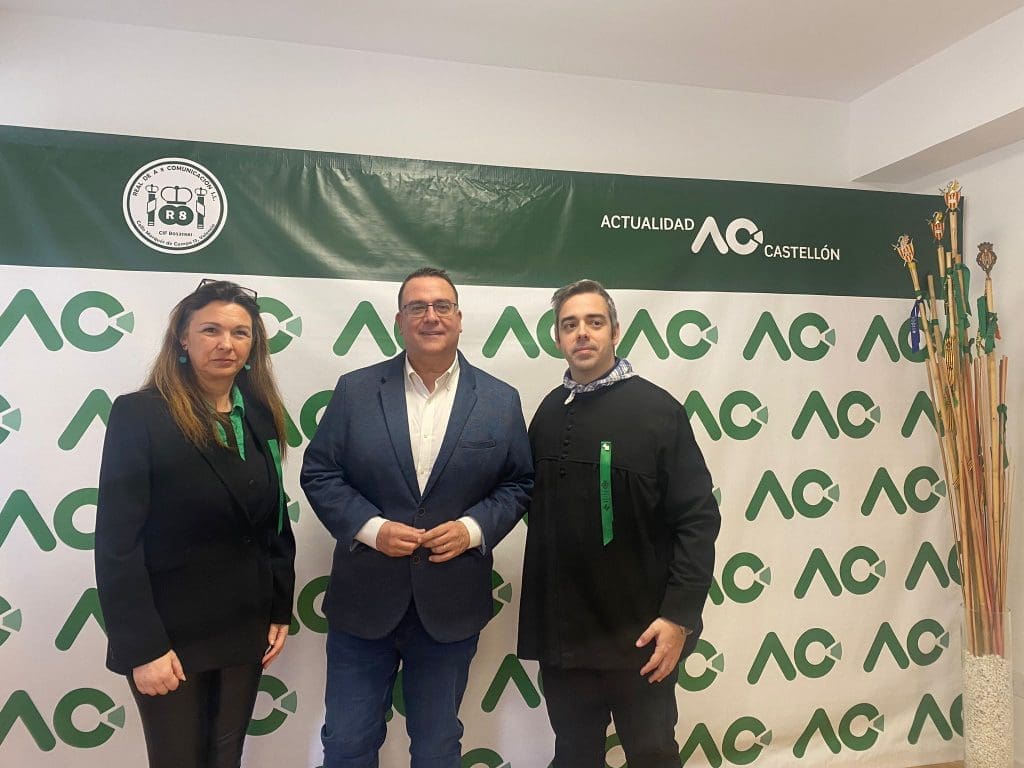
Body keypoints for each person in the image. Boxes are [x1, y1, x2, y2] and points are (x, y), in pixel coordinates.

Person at [301, 266, 533, 768]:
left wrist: (472, 530)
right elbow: (320, 473)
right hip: (364, 604)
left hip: (450, 607)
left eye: (441, 306)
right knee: (347, 743)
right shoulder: (355, 391)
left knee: (437, 747)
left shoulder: (499, 400)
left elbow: (519, 484)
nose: (431, 316)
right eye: (417, 307)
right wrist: (372, 529)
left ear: (459, 318)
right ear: (399, 321)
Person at [518, 279, 720, 768]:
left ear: (615, 331)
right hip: (566, 638)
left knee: (652, 755)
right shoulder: (548, 413)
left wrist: (678, 619)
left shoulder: (659, 411)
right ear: (557, 337)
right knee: (573, 755)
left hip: (643, 635)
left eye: (594, 322)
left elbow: (697, 520)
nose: (582, 333)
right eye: (570, 324)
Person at [94, 279, 296, 768]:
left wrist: (278, 607)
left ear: (253, 345)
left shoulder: (261, 415)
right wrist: (143, 647)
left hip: (244, 626)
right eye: (211, 330)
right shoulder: (140, 414)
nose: (227, 344)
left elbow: (272, 521)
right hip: (170, 635)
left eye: (240, 333)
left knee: (225, 759)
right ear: (183, 338)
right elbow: (117, 544)